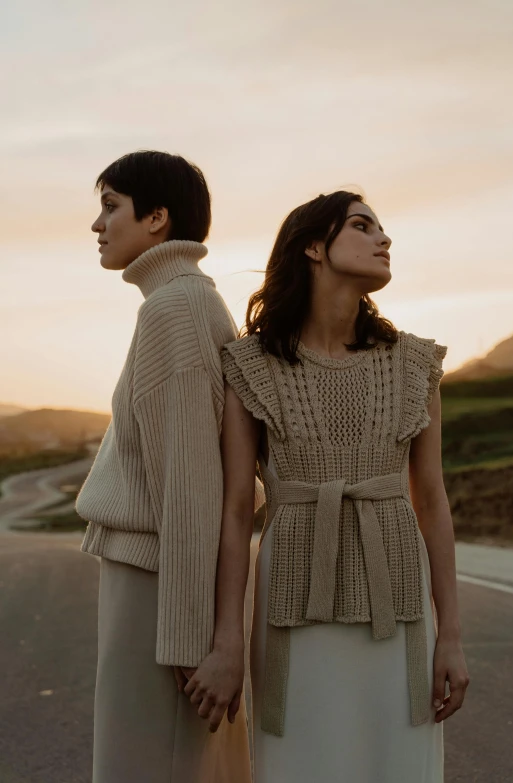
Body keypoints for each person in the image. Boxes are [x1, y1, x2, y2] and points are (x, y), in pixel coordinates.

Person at [186, 191, 470, 782]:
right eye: (363, 226)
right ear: (313, 246)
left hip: (399, 605)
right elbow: (237, 511)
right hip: (292, 606)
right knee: (301, 763)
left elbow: (432, 503)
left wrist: (453, 639)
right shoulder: (252, 364)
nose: (383, 238)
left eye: (382, 228)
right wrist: (227, 644)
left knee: (398, 765)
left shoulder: (414, 363)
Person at [75, 150, 254, 783]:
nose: (97, 225)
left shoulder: (173, 310)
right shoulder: (184, 301)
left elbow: (192, 486)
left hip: (157, 586)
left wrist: (187, 637)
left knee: (145, 765)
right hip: (156, 578)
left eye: (110, 206)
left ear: (156, 218)